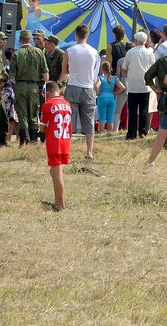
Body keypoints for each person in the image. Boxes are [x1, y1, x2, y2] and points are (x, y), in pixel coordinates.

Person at [62, 24, 99, 157]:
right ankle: (89, 152)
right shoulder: (94, 52)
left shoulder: (69, 51)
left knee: (69, 120)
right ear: (87, 35)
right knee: (89, 121)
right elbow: (95, 74)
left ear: (76, 35)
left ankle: (67, 150)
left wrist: (58, 83)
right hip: (88, 88)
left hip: (72, 87)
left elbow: (64, 72)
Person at [10, 31, 48, 146]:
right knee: (34, 113)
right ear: (30, 40)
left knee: (22, 113)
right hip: (35, 86)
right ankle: (33, 139)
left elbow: (12, 74)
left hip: (20, 85)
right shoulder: (39, 53)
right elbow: (45, 72)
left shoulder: (16, 54)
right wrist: (45, 88)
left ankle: (23, 140)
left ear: (20, 40)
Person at [42, 82, 72, 211]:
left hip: (54, 141)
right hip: (65, 140)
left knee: (57, 172)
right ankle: (58, 200)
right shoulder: (67, 104)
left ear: (47, 93)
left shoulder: (47, 105)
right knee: (54, 171)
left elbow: (42, 127)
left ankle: (59, 204)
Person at [121, 31, 156, 140]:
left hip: (133, 86)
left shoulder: (130, 52)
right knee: (144, 110)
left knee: (132, 110)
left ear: (136, 41)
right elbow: (153, 68)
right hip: (145, 85)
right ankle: (143, 131)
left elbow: (124, 68)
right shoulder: (150, 53)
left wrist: (130, 75)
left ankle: (131, 133)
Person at [96, 50, 121, 133]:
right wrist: (116, 93)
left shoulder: (101, 78)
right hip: (111, 97)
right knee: (110, 117)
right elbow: (123, 87)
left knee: (102, 118)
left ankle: (100, 133)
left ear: (102, 69)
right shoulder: (114, 78)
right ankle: (110, 133)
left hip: (102, 97)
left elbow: (96, 86)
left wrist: (97, 92)